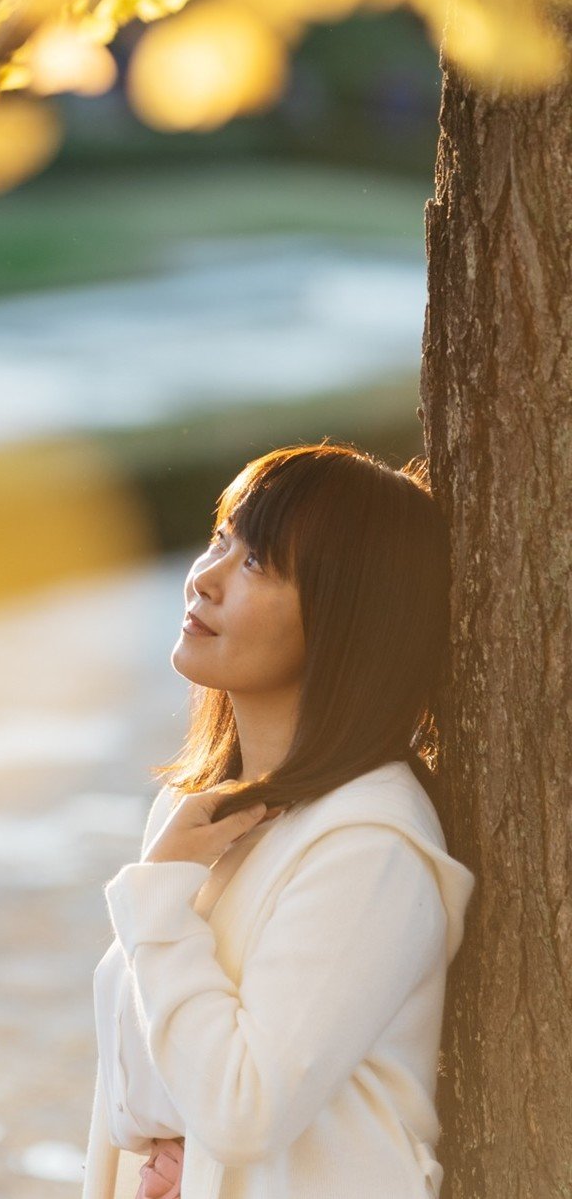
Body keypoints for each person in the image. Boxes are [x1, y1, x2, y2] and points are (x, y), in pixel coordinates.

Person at [84, 440, 477, 1199]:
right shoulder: (198, 811)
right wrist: (181, 1140)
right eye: (221, 540)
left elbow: (241, 1109)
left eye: (257, 563)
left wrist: (161, 895)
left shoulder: (370, 845)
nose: (204, 578)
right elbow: (139, 1088)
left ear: (344, 615)